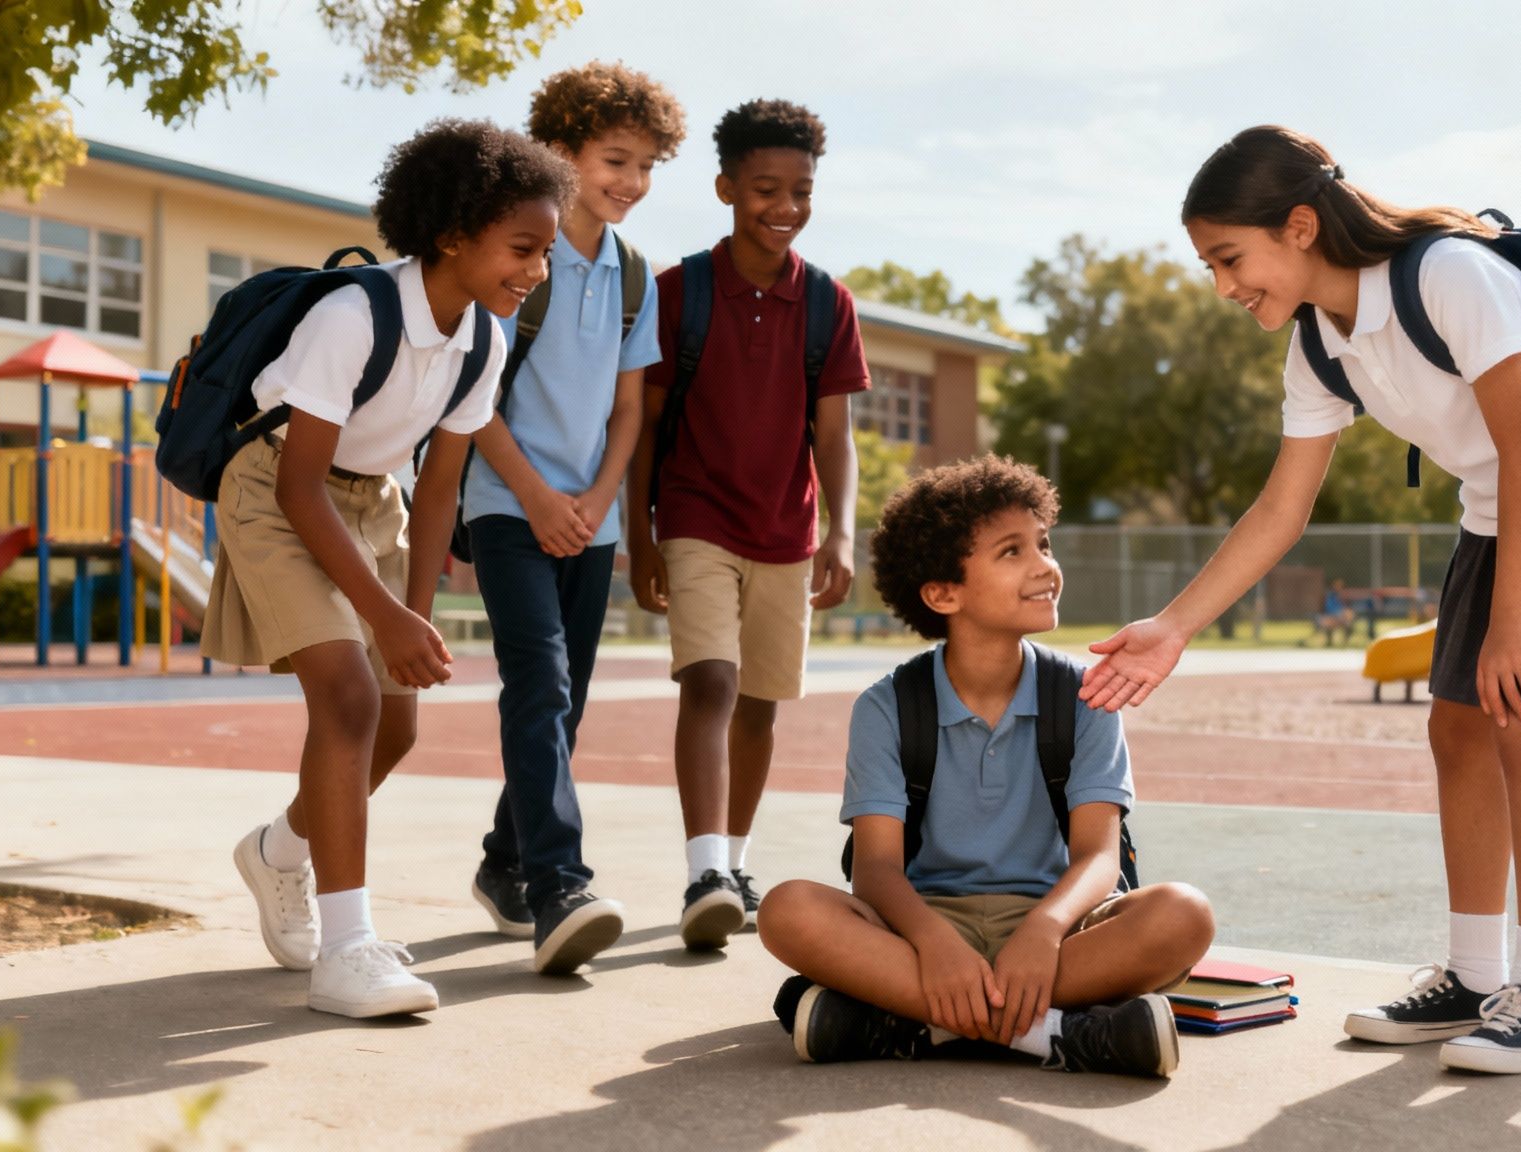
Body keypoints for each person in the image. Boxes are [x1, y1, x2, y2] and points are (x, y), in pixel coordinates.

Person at [1080, 126, 1521, 1074]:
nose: (1222, 285)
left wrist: (1509, 627)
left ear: (1298, 226)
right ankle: (1471, 974)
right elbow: (1282, 508)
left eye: (1228, 258)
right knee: (1456, 730)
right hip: (1500, 507)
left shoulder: (1447, 273)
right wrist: (1174, 626)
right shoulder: (1319, 345)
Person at [212, 119, 572, 1017]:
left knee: (397, 725)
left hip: (377, 502)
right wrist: (382, 621)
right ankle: (348, 950)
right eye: (522, 249)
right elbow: (297, 487)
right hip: (276, 487)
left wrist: (415, 618)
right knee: (349, 698)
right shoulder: (352, 315)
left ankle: (280, 853)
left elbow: (441, 487)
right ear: (454, 234)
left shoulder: (483, 341)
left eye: (547, 255)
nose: (536, 273)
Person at [757, 456, 1215, 1079]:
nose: (1045, 566)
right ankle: (1057, 1034)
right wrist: (935, 944)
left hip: (1062, 927)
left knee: (1185, 915)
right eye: (1012, 552)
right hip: (924, 927)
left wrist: (1044, 931)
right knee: (787, 911)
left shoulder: (1086, 695)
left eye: (1043, 544)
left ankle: (913, 1025)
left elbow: (1099, 858)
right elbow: (877, 871)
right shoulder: (886, 707)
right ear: (944, 593)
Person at [460, 61, 686, 976]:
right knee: (541, 687)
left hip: (589, 519)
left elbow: (631, 410)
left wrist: (595, 503)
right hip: (506, 505)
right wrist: (542, 497)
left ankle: (503, 861)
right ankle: (560, 884)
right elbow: (475, 397)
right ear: (560, 150)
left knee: (568, 702)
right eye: (614, 159)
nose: (630, 182)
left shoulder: (636, 276)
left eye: (644, 166)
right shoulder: (520, 254)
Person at [626, 98, 866, 950]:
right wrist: (642, 539)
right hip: (695, 516)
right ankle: (702, 871)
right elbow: (643, 430)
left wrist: (841, 533)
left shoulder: (829, 304)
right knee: (711, 682)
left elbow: (834, 437)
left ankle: (732, 860)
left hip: (787, 531)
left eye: (801, 189)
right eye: (766, 187)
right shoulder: (677, 293)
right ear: (727, 187)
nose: (785, 206)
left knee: (760, 705)